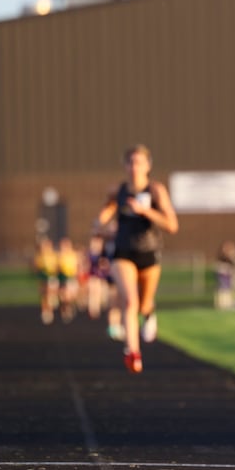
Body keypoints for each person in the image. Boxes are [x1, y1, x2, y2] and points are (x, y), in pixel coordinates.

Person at [96, 144, 179, 373]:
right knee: (130, 300)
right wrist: (100, 225)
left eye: (139, 162)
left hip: (149, 252)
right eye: (131, 162)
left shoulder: (156, 191)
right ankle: (133, 351)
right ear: (124, 165)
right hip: (123, 252)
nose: (134, 167)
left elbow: (172, 225)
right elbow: (105, 212)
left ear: (148, 166)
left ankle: (150, 313)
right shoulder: (118, 191)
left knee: (143, 304)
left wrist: (146, 212)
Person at [33, 236, 59, 325]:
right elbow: (36, 268)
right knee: (44, 295)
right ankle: (45, 311)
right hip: (43, 277)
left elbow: (57, 267)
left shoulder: (53, 255)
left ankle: (50, 311)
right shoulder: (40, 256)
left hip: (51, 277)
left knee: (50, 294)